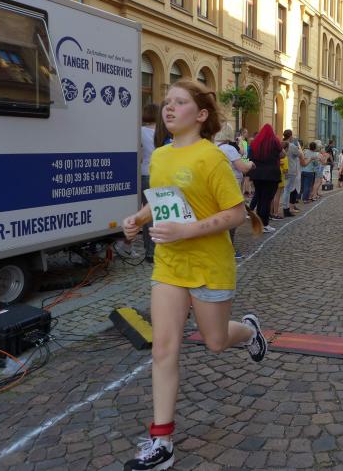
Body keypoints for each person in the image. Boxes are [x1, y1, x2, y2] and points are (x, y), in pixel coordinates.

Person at [121, 80, 267, 470]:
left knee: (215, 341)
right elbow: (162, 201)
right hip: (169, 265)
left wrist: (187, 231)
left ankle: (249, 332)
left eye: (180, 102)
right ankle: (162, 441)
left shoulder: (211, 158)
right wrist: (138, 218)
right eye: (167, 102)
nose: (168, 108)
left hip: (209, 266)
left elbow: (236, 213)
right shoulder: (160, 156)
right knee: (163, 349)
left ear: (201, 115)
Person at [216, 123, 256, 253]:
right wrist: (251, 163)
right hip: (231, 185)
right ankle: (229, 247)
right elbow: (243, 167)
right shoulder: (229, 149)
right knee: (233, 216)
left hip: (216, 185)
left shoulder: (212, 147)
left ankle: (220, 246)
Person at [140, 103, 160, 263]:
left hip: (145, 173)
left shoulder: (140, 131)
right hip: (160, 174)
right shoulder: (164, 132)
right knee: (158, 213)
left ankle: (150, 251)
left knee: (147, 214)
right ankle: (156, 250)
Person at [281, 129, 303, 217]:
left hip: (283, 169)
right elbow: (300, 154)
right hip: (291, 170)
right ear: (290, 136)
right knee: (287, 190)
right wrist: (299, 148)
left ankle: (286, 207)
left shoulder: (281, 143)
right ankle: (286, 208)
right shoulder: (292, 146)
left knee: (285, 190)